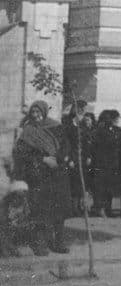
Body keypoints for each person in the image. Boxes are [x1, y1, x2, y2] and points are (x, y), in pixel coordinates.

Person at [12, 100, 71, 255]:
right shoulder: (28, 131)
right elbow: (21, 153)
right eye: (33, 112)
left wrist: (56, 159)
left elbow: (65, 147)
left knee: (59, 209)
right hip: (38, 175)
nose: (36, 115)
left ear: (44, 112)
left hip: (57, 173)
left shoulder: (57, 127)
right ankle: (39, 244)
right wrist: (43, 159)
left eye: (39, 112)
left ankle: (58, 242)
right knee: (40, 209)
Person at [90, 109, 121, 217]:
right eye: (115, 118)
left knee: (110, 187)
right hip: (101, 163)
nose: (117, 120)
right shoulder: (100, 131)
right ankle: (100, 208)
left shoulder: (117, 130)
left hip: (113, 163)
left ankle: (108, 208)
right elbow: (96, 147)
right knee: (100, 187)